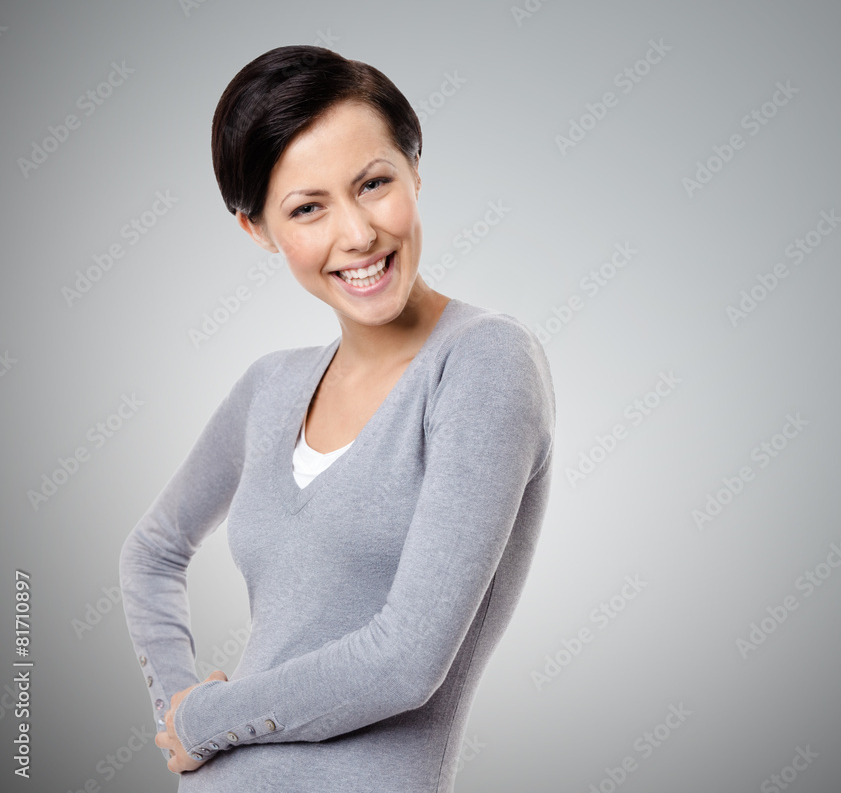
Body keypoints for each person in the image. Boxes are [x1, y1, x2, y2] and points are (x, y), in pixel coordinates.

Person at [118, 46, 556, 792]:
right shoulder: (270, 386)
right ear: (258, 229)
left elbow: (405, 660)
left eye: (373, 184)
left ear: (414, 173)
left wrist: (203, 722)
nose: (356, 234)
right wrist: (176, 708)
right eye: (307, 208)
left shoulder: (484, 362)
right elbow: (152, 551)